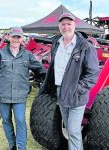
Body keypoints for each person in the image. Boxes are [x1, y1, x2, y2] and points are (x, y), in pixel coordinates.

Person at [39, 13, 100, 150]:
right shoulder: (56, 43)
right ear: (59, 26)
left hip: (76, 94)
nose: (66, 27)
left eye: (69, 24)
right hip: (60, 91)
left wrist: (78, 89)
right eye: (63, 24)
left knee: (73, 131)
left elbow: (93, 73)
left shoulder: (85, 46)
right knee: (68, 128)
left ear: (74, 25)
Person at [0, 27, 46, 150]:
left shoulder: (27, 55)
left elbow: (39, 68)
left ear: (22, 39)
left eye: (18, 37)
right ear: (9, 37)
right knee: (6, 121)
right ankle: (12, 145)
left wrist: (51, 76)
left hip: (20, 95)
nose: (15, 39)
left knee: (20, 120)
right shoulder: (0, 54)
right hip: (3, 95)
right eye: (13, 36)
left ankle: (21, 146)